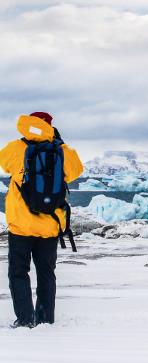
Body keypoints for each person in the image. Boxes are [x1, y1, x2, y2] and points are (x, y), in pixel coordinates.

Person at [0, 112, 83, 328]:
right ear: (50, 125)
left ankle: (26, 319)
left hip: (21, 226)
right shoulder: (62, 151)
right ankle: (46, 318)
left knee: (19, 272)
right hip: (49, 226)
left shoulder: (15, 147)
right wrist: (59, 143)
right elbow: (77, 170)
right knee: (46, 273)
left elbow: (4, 164)